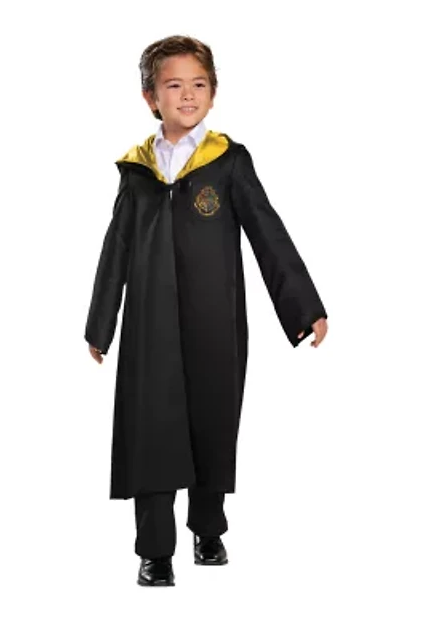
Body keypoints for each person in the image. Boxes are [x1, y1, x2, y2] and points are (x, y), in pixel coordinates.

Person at [84, 35, 328, 587]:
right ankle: (155, 551)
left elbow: (268, 234)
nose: (188, 95)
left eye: (198, 84)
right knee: (150, 430)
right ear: (151, 97)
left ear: (213, 93)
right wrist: (101, 324)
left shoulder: (228, 162)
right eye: (174, 85)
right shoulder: (137, 172)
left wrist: (303, 308)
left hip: (214, 319)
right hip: (149, 326)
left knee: (211, 423)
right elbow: (116, 248)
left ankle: (209, 529)